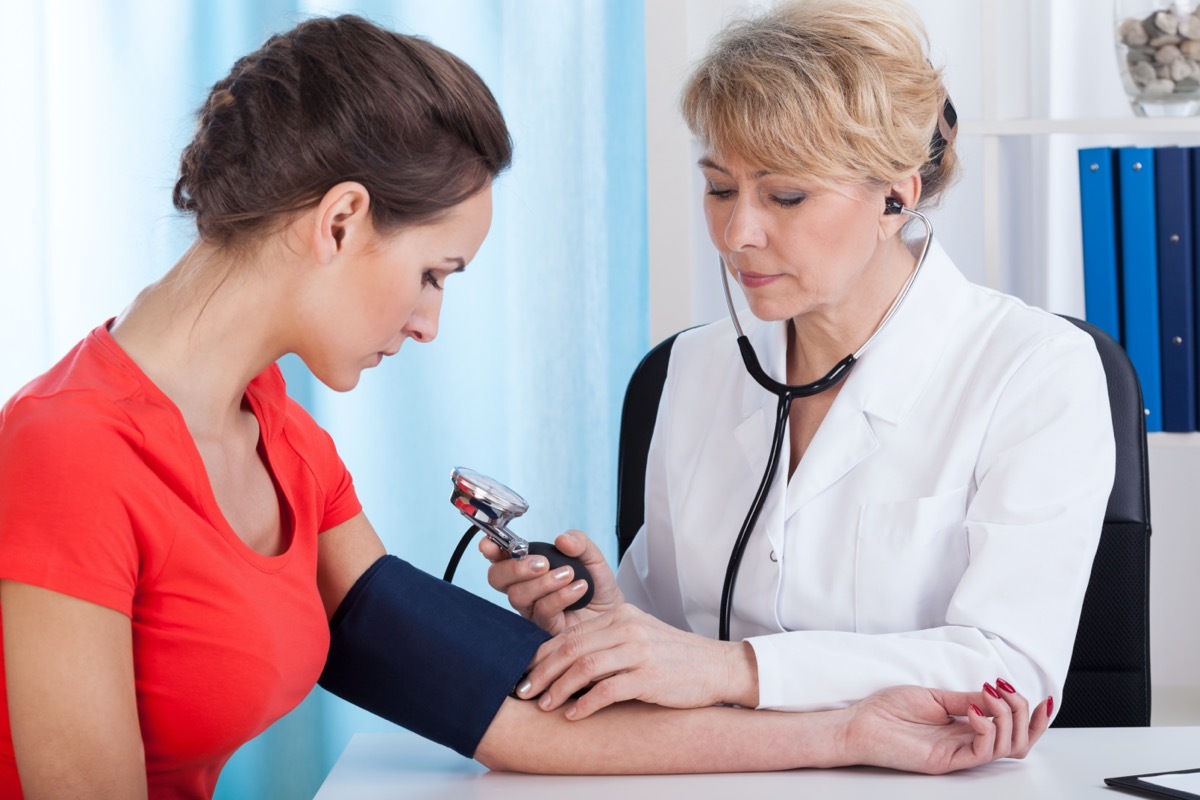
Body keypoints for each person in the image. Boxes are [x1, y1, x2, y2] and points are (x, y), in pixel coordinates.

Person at [0, 13, 1051, 799]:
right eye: (436, 273)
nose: (429, 324)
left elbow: (498, 708)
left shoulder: (274, 428)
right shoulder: (65, 454)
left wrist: (844, 729)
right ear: (341, 221)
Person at [486, 0, 1114, 727]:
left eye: (785, 194)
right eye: (719, 187)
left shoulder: (1035, 371)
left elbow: (1011, 669)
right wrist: (601, 624)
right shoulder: (691, 367)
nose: (736, 232)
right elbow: (670, 633)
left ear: (894, 196)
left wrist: (739, 669)